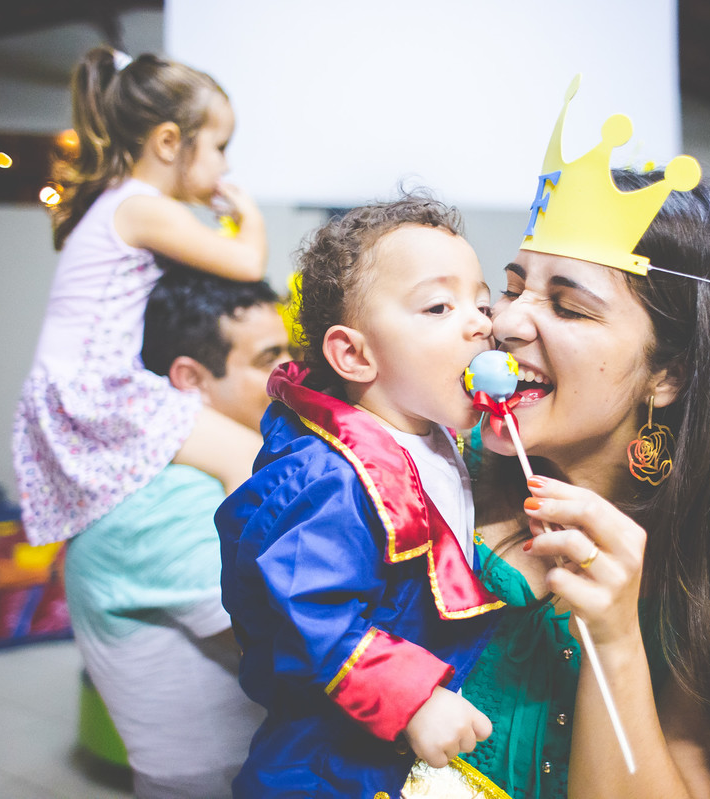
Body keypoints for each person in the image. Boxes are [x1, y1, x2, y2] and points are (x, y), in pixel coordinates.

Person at [451, 77, 710, 799]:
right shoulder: (436, 480)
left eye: (568, 306)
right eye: (512, 288)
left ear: (667, 372)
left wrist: (614, 635)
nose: (505, 324)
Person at [214, 194, 503, 797]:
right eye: (439, 306)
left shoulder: (439, 435)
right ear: (354, 354)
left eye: (482, 302)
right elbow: (309, 615)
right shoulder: (331, 478)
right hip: (328, 764)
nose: (481, 324)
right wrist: (414, 698)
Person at [12, 46, 268, 548]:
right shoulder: (141, 207)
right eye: (219, 146)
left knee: (232, 447)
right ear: (170, 142)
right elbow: (248, 264)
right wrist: (248, 213)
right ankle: (257, 582)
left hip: (81, 388)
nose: (225, 164)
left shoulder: (125, 202)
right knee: (246, 454)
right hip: (96, 392)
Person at [63, 264, 289, 797]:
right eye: (268, 359)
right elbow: (279, 643)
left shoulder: (200, 472)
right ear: (190, 379)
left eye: (290, 351)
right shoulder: (166, 501)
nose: (293, 372)